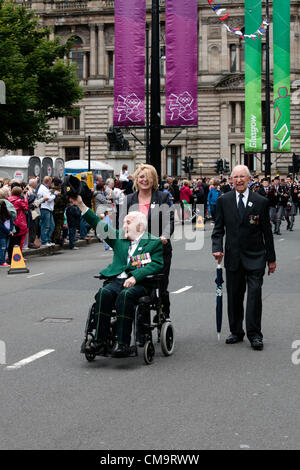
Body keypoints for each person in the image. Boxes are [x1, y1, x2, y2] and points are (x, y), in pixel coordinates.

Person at [71, 195, 164, 358]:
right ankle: (99, 341)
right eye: (124, 223)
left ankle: (122, 344)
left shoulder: (153, 242)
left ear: (140, 226)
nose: (124, 226)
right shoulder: (119, 238)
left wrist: (135, 276)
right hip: (117, 279)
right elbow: (98, 225)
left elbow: (156, 264)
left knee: (126, 295)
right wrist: (81, 205)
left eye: (128, 223)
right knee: (103, 293)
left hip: (140, 284)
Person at [212, 165, 276, 351]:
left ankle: (255, 334)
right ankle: (236, 331)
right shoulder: (224, 201)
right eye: (236, 177)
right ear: (231, 180)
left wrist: (271, 259)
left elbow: (267, 233)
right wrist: (217, 248)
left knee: (254, 295)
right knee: (234, 296)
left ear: (249, 179)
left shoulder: (260, 201)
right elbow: (218, 230)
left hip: (256, 257)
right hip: (233, 257)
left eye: (242, 177)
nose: (239, 180)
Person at [123, 164, 174, 319]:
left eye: (148, 177)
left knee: (161, 286)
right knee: (139, 284)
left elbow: (168, 221)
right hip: (136, 251)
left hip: (158, 249)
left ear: (154, 180)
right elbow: (121, 223)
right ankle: (141, 321)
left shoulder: (162, 197)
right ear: (136, 179)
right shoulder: (128, 199)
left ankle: (163, 314)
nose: (145, 180)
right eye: (141, 177)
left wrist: (164, 237)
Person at [7, 186, 29, 262]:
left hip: (10, 222)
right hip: (20, 222)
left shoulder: (8, 199)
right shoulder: (19, 201)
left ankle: (10, 256)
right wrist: (25, 197)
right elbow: (26, 207)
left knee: (11, 241)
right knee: (20, 241)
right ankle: (18, 256)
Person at [37, 176, 60, 247]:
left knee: (51, 226)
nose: (51, 184)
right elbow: (48, 199)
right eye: (50, 182)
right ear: (48, 182)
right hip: (45, 208)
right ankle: (44, 241)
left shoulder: (46, 188)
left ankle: (48, 240)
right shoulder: (43, 189)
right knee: (46, 226)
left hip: (48, 209)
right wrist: (55, 194)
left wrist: (51, 194)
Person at [0, 200, 14, 267]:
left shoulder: (8, 214)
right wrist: (8, 231)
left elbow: (11, 223)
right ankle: (2, 261)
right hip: (2, 234)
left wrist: (10, 230)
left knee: (6, 247)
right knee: (3, 247)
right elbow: (1, 226)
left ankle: (3, 261)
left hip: (8, 233)